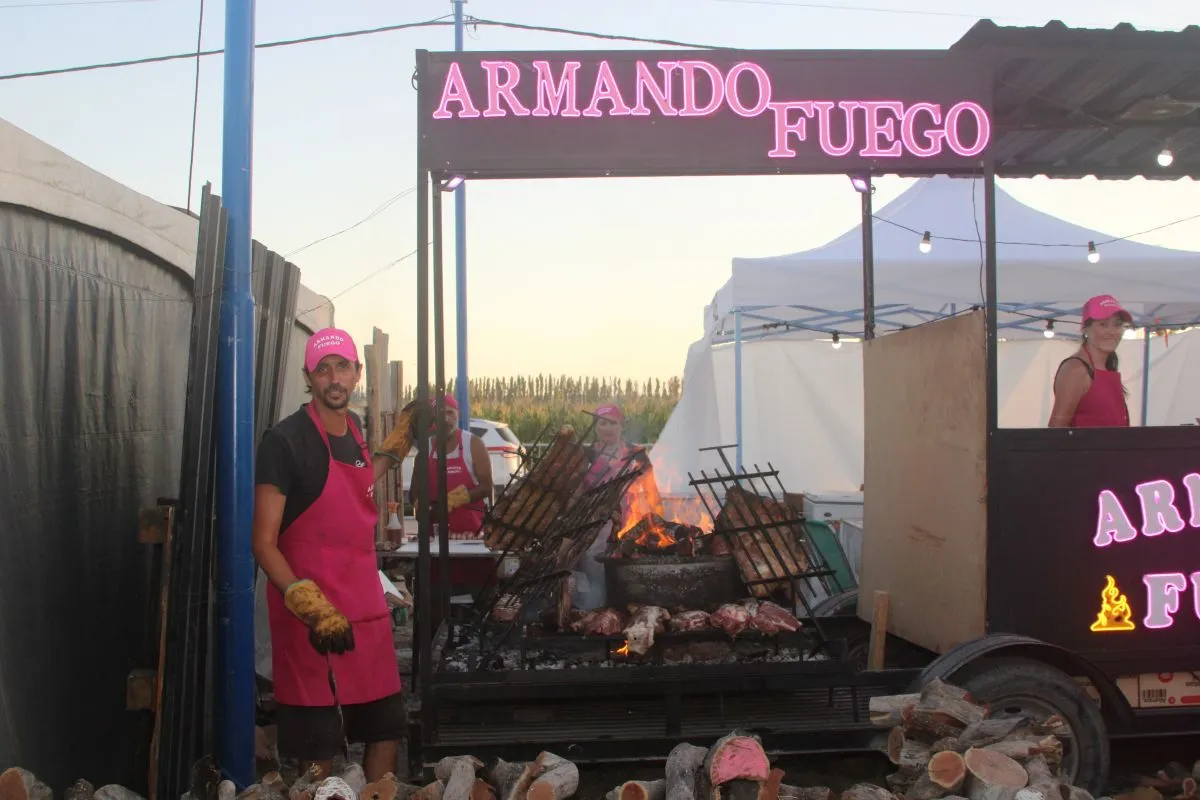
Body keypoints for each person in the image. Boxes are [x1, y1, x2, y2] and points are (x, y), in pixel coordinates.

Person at [252, 327, 416, 781]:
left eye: (342, 366)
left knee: (385, 732)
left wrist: (397, 448)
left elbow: (357, 481)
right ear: (309, 376)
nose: (334, 378)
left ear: (357, 371)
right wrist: (311, 605)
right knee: (319, 751)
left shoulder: (357, 430)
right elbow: (263, 541)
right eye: (323, 370)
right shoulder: (284, 442)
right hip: (312, 623)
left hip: (365, 613)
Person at [410, 395, 495, 623]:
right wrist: (423, 508)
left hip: (472, 541)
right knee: (433, 607)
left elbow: (487, 487)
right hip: (435, 545)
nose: (446, 418)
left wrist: (451, 501)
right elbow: (414, 494)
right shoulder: (425, 450)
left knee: (478, 608)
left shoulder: (472, 444)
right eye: (441, 413)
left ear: (457, 415)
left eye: (451, 413)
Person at [572, 404, 650, 609]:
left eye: (612, 423)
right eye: (602, 423)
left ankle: (625, 606)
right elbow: (577, 490)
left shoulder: (636, 453)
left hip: (629, 518)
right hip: (595, 521)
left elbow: (651, 489)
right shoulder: (586, 454)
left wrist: (654, 515)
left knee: (627, 564)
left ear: (621, 425)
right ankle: (600, 608)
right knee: (595, 563)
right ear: (596, 426)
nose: (607, 428)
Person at [1048, 294, 1132, 428]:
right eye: (1103, 324)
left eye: (1117, 325)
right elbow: (1056, 431)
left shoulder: (1107, 368)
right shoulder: (1075, 369)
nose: (1111, 332)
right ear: (1085, 329)